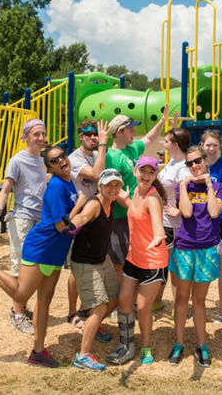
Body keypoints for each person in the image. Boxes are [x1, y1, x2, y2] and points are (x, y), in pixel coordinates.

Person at [0, 146, 86, 368]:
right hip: (42, 247)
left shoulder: (67, 183)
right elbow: (60, 226)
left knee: (45, 300)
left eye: (63, 156)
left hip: (55, 253)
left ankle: (38, 351)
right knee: (21, 292)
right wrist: (81, 205)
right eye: (55, 160)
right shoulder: (56, 186)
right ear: (51, 168)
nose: (61, 161)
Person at [167, 146, 222, 367]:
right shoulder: (183, 187)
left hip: (207, 250)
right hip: (185, 247)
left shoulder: (220, 187)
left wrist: (209, 184)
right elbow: (186, 212)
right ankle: (179, 343)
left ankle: (202, 345)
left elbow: (214, 212)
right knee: (182, 298)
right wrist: (183, 186)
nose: (194, 166)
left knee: (199, 300)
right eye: (190, 163)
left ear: (205, 160)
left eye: (198, 161)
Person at [0, 118, 46, 335]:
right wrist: (0, 207)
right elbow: (6, 187)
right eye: (36, 134)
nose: (40, 138)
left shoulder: (44, 160)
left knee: (36, 266)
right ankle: (17, 313)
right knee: (21, 263)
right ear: (26, 136)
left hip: (42, 219)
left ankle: (23, 307)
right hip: (22, 217)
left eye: (43, 134)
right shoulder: (17, 160)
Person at [106, 156, 168, 365]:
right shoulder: (135, 193)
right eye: (143, 171)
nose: (146, 175)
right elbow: (126, 200)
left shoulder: (152, 198)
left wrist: (158, 238)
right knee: (124, 300)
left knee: (142, 307)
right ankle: (127, 344)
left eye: (151, 172)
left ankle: (146, 346)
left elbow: (158, 226)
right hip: (133, 258)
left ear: (155, 176)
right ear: (135, 172)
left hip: (153, 261)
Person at [66, 169, 124, 372]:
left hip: (102, 259)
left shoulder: (113, 202)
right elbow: (83, 217)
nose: (113, 189)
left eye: (117, 185)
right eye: (109, 185)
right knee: (99, 308)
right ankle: (82, 356)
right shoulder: (95, 204)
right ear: (101, 186)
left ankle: (92, 320)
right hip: (85, 262)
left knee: (117, 297)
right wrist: (72, 223)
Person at [105, 107, 172, 279]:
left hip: (138, 212)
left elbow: (149, 138)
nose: (134, 132)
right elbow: (114, 190)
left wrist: (162, 121)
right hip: (122, 215)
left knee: (137, 255)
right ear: (119, 132)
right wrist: (134, 207)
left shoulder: (132, 147)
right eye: (130, 129)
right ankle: (123, 300)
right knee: (121, 259)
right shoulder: (111, 157)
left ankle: (132, 296)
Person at [66, 119, 109, 330]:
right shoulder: (74, 159)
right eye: (89, 134)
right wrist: (102, 144)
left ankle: (85, 308)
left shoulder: (97, 156)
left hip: (94, 218)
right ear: (80, 136)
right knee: (76, 269)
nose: (93, 137)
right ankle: (72, 311)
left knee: (90, 265)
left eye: (96, 134)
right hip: (78, 218)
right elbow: (96, 175)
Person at [154, 126, 192, 313]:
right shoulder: (171, 163)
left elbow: (192, 192)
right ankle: (160, 301)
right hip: (164, 222)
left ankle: (180, 308)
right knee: (164, 264)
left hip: (175, 226)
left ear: (175, 145)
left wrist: (180, 211)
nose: (164, 144)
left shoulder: (184, 167)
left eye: (167, 141)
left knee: (176, 268)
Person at [201, 130, 222, 324]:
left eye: (215, 145)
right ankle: (199, 306)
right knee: (201, 265)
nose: (211, 149)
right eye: (208, 145)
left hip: (220, 221)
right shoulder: (200, 165)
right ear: (203, 146)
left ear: (220, 147)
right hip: (201, 222)